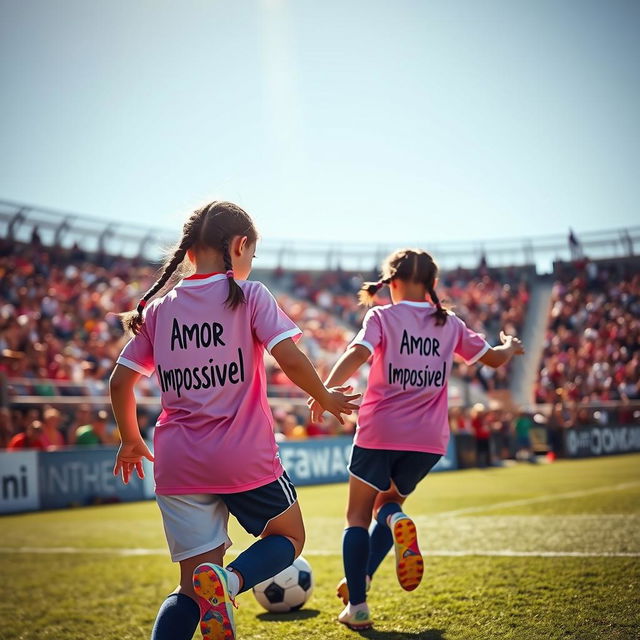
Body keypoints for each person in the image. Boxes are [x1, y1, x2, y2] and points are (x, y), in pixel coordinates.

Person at [109, 201, 359, 640]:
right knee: (289, 538)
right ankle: (231, 583)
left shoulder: (158, 311)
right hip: (243, 457)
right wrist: (323, 395)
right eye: (252, 255)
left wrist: (130, 439)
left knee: (189, 588)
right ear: (240, 246)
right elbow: (292, 360)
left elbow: (119, 382)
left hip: (179, 464)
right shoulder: (250, 295)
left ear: (188, 253)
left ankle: (212, 585)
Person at [308, 248, 524, 630]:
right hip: (429, 440)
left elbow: (357, 353)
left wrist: (326, 390)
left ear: (392, 283)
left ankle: (357, 606)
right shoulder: (450, 323)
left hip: (380, 431)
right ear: (433, 284)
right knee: (388, 506)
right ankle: (380, 551)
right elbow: (491, 359)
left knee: (357, 517)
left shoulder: (382, 316)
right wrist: (509, 347)